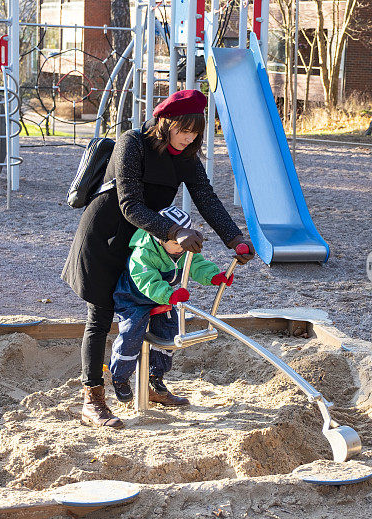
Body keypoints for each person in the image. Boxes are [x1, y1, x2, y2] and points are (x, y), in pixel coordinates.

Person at [62, 89, 255, 429]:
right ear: (166, 123)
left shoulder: (185, 156)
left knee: (155, 308)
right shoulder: (132, 143)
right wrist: (174, 233)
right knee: (101, 316)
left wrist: (234, 238)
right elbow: (130, 204)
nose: (188, 137)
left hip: (150, 242)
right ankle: (92, 399)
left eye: (195, 132)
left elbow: (207, 199)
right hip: (107, 237)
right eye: (184, 129)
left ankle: (151, 386)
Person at [110, 206, 234, 406]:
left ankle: (155, 377)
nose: (180, 248)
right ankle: (120, 377)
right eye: (175, 243)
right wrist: (171, 295)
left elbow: (196, 265)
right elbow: (147, 281)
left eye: (183, 243)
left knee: (169, 331)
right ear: (160, 237)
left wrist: (214, 276)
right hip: (135, 297)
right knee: (132, 331)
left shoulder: (183, 250)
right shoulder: (144, 252)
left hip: (165, 298)